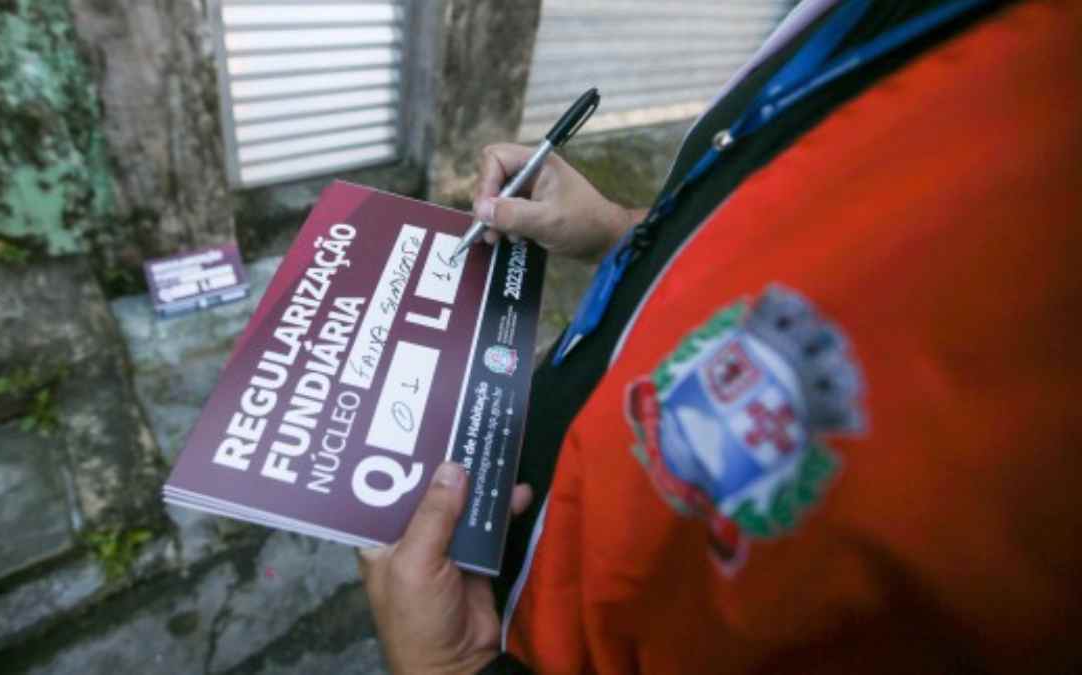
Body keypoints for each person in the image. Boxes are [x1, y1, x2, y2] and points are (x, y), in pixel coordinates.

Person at [358, 0, 1082, 673]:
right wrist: (622, 230)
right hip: (517, 526)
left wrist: (444, 669)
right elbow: (784, 253)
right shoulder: (894, 22)